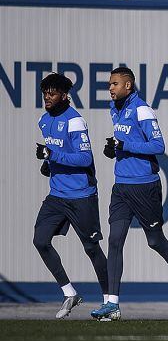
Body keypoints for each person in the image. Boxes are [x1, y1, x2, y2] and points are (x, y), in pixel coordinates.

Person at [90, 67, 168, 321]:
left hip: (145, 187)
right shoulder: (115, 110)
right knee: (115, 240)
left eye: (115, 84)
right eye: (109, 84)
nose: (111, 88)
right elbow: (125, 144)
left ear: (128, 86)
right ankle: (112, 304)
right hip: (121, 188)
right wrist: (114, 151)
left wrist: (125, 146)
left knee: (155, 241)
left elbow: (158, 146)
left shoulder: (142, 109)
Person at [32, 72, 110, 318]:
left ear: (64, 96)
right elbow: (57, 153)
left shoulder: (75, 121)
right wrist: (49, 165)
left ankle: (111, 301)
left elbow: (85, 158)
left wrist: (52, 156)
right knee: (40, 241)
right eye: (45, 93)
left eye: (52, 93)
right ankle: (69, 293)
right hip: (57, 196)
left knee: (92, 249)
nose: (47, 97)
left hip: (81, 195)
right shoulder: (44, 120)